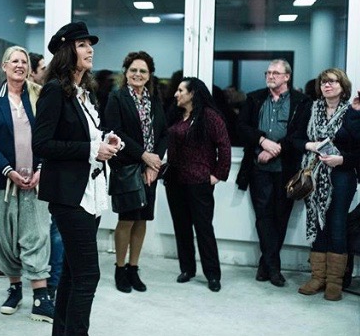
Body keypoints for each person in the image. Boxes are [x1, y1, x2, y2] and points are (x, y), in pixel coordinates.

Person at [33, 21, 122, 336]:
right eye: (82, 44)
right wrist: (90, 149)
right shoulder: (54, 90)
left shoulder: (85, 92)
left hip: (90, 192)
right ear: (66, 51)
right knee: (88, 276)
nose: (90, 50)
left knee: (72, 274)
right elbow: (42, 144)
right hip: (69, 196)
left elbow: (84, 134)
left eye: (90, 44)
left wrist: (105, 140)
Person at [0, 46, 53, 323]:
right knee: (5, 237)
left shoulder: (38, 95)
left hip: (36, 181)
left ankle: (41, 296)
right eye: (15, 61)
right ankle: (14, 288)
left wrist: (41, 169)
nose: (20, 65)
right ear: (4, 66)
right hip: (0, 181)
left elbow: (49, 135)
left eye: (24, 62)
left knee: (37, 234)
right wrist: (8, 171)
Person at [236, 59, 311, 287]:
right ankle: (273, 267)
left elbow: (300, 133)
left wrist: (274, 150)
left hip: (285, 169)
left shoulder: (301, 101)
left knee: (280, 216)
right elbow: (241, 127)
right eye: (268, 72)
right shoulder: (254, 98)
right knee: (263, 216)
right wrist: (262, 141)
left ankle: (265, 264)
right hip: (258, 168)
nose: (270, 76)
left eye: (275, 73)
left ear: (287, 77)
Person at [294, 68, 360, 301]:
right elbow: (294, 139)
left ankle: (334, 282)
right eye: (323, 82)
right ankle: (317, 278)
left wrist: (341, 160)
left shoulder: (352, 112)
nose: (327, 85)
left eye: (332, 81)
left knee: (337, 224)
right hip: (313, 174)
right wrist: (310, 146)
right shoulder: (310, 109)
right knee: (317, 223)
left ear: (343, 86)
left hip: (342, 175)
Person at [104, 51, 167, 293]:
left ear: (149, 75)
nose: (137, 74)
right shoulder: (117, 98)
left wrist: (154, 163)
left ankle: (133, 267)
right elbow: (115, 132)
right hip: (128, 168)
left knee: (142, 220)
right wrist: (143, 156)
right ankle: (120, 268)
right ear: (126, 73)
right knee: (127, 219)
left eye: (143, 71)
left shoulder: (154, 99)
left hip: (150, 169)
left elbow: (163, 133)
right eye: (133, 70)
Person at [165, 77, 231, 292]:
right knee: (181, 227)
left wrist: (218, 174)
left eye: (180, 90)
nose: (176, 94)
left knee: (203, 229)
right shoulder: (176, 115)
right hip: (175, 181)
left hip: (199, 182)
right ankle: (187, 269)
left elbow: (224, 146)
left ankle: (212, 275)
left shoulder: (209, 116)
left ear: (192, 93)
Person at [28, 51, 64, 300]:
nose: (44, 71)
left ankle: (53, 281)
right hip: (31, 172)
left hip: (47, 172)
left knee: (54, 231)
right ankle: (45, 282)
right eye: (41, 68)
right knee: (43, 231)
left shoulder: (47, 94)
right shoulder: (41, 96)